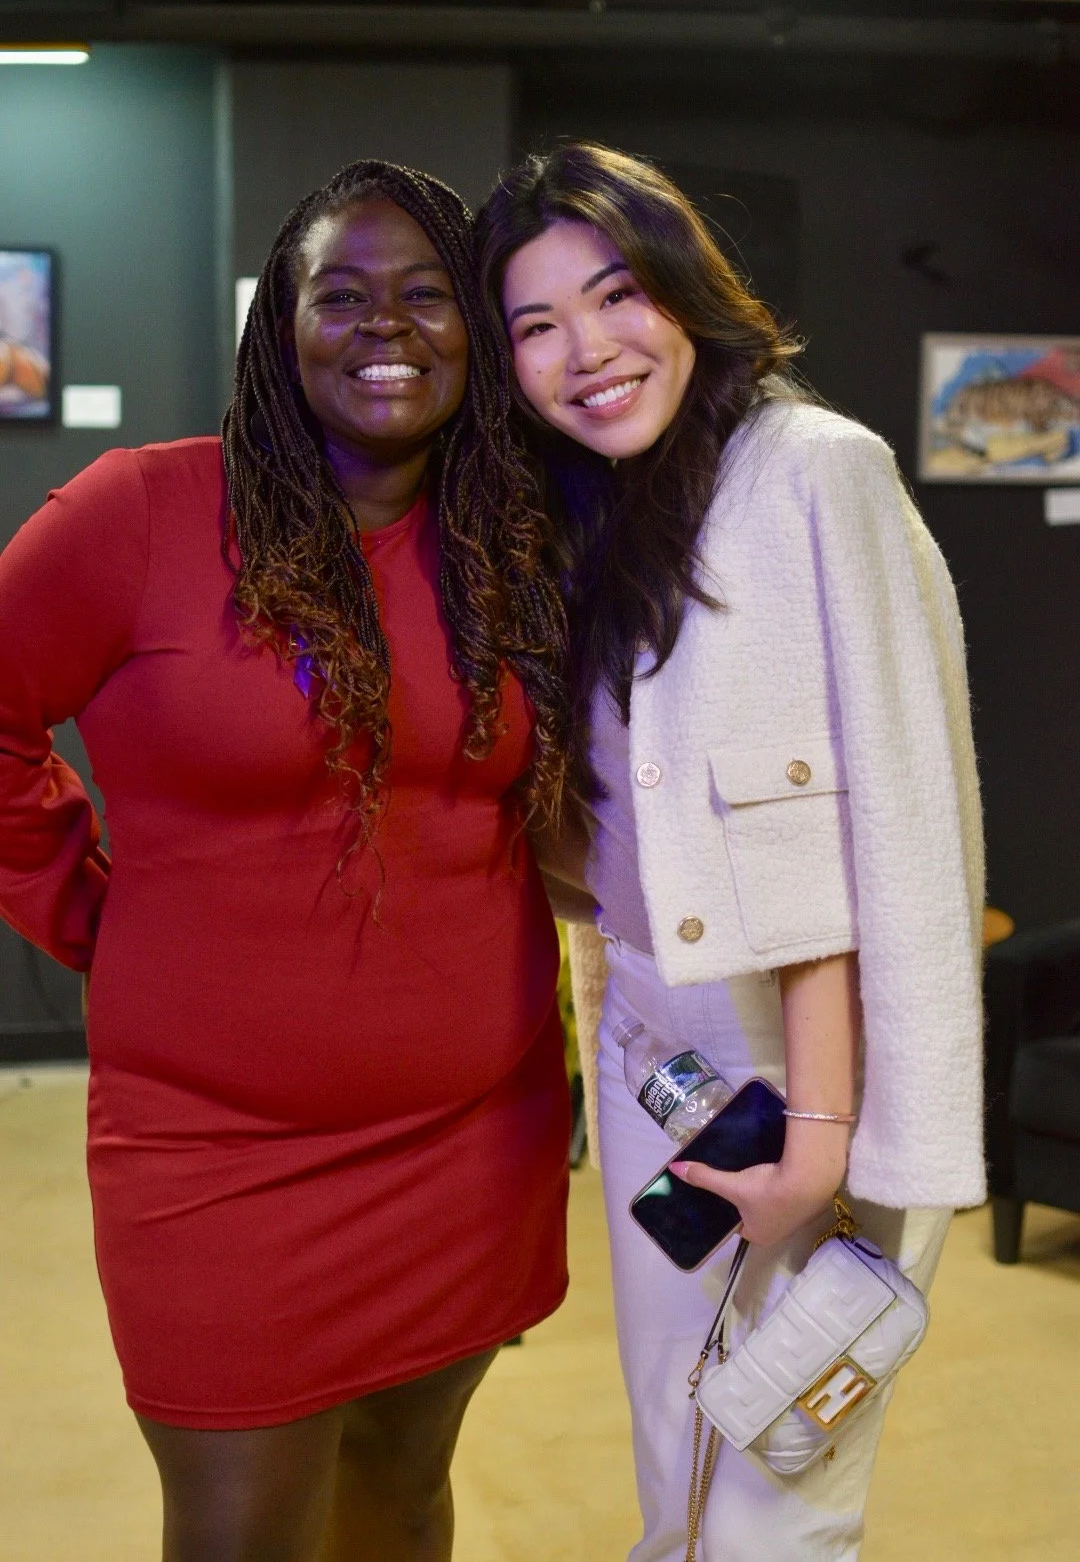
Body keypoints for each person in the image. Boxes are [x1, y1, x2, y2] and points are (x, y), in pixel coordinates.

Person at [0, 159, 574, 1562]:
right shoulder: (140, 513)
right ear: (282, 324)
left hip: (470, 1134)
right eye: (345, 293)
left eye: (430, 294)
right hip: (215, 1152)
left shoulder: (513, 546)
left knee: (405, 1495)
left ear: (478, 332)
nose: (390, 325)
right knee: (240, 1535)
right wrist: (85, 904)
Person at [477, 142, 985, 1561]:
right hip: (668, 1050)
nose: (585, 351)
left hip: (815, 1054)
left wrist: (820, 1139)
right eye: (534, 325)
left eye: (615, 293)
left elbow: (877, 828)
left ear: (687, 288)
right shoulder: (603, 511)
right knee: (679, 1455)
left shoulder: (815, 473)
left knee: (777, 1495)